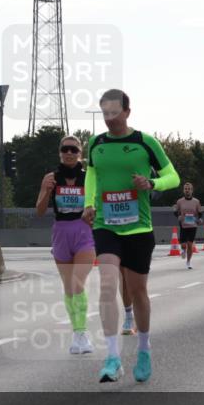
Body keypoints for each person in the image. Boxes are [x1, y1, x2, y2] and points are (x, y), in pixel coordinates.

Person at [82, 89, 179, 383]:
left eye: (114, 112)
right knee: (108, 285)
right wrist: (88, 203)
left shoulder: (145, 142)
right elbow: (92, 174)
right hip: (106, 225)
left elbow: (173, 176)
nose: (110, 119)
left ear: (127, 111)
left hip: (139, 227)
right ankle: (112, 357)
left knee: (137, 291)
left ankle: (144, 348)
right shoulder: (95, 144)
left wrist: (151, 183)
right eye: (105, 113)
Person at [35, 135, 95, 354]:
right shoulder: (51, 178)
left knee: (78, 282)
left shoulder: (88, 177)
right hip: (61, 232)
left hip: (83, 232)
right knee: (69, 287)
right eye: (65, 149)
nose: (69, 153)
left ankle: (82, 333)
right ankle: (76, 333)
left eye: (74, 150)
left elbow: (98, 204)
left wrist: (94, 213)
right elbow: (40, 211)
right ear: (60, 152)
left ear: (80, 153)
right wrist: (47, 191)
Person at [173, 182, 202, 270]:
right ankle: (183, 250)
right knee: (183, 245)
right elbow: (175, 211)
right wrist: (178, 216)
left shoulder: (196, 201)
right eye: (186, 189)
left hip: (193, 225)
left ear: (192, 191)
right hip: (183, 225)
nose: (187, 191)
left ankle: (188, 262)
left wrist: (200, 219)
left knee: (190, 244)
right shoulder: (179, 201)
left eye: (189, 189)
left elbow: (200, 213)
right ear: (183, 190)